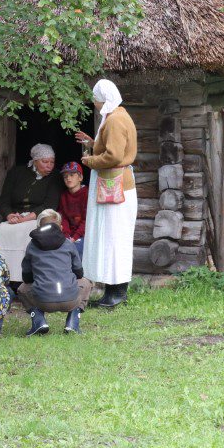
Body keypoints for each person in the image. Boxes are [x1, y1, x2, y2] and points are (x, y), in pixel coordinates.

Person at [75, 79, 138, 308]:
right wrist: (93, 143)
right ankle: (114, 292)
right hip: (116, 184)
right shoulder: (117, 116)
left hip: (116, 186)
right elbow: (112, 148)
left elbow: (113, 156)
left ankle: (116, 293)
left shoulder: (115, 120)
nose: (94, 102)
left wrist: (89, 160)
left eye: (95, 98)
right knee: (114, 237)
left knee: (115, 237)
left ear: (103, 98)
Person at [0, 143, 62, 284]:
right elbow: (3, 201)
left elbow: (49, 205)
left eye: (52, 162)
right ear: (35, 161)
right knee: (3, 229)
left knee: (28, 231)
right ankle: (3, 277)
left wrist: (25, 219)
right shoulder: (16, 173)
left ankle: (23, 278)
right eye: (45, 162)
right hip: (15, 216)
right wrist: (9, 215)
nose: (49, 166)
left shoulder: (55, 177)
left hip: (38, 217)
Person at [17, 210, 92, 335]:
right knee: (86, 282)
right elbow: (79, 272)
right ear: (61, 227)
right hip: (70, 299)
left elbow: (27, 276)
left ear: (38, 227)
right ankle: (73, 322)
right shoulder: (68, 243)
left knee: (22, 288)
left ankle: (39, 321)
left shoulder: (32, 245)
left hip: (43, 300)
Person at [58, 161, 89, 255]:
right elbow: (63, 217)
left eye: (72, 175)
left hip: (83, 234)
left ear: (80, 177)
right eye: (65, 176)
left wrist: (75, 237)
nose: (68, 178)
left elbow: (87, 219)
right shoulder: (64, 196)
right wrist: (66, 236)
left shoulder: (87, 194)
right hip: (68, 234)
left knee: (75, 251)